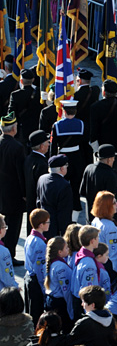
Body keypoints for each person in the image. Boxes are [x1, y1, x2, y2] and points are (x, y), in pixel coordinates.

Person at [0, 112, 26, 264]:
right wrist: (25, 193)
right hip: (13, 193)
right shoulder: (17, 147)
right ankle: (9, 255)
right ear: (14, 128)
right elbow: (20, 174)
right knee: (13, 226)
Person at [80, 144, 117, 222]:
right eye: (113, 158)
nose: (114, 160)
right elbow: (112, 199)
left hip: (90, 216)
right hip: (105, 219)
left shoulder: (89, 168)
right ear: (109, 159)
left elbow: (82, 192)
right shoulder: (110, 174)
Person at [24, 209, 48, 324]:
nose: (49, 224)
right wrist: (44, 287)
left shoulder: (29, 238)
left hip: (28, 277)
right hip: (36, 282)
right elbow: (39, 268)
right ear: (41, 225)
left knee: (30, 310)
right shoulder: (39, 243)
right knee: (36, 313)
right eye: (47, 222)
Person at [24, 130, 49, 234]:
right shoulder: (41, 163)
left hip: (29, 198)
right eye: (47, 142)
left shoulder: (28, 159)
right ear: (42, 146)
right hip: (38, 201)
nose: (49, 144)